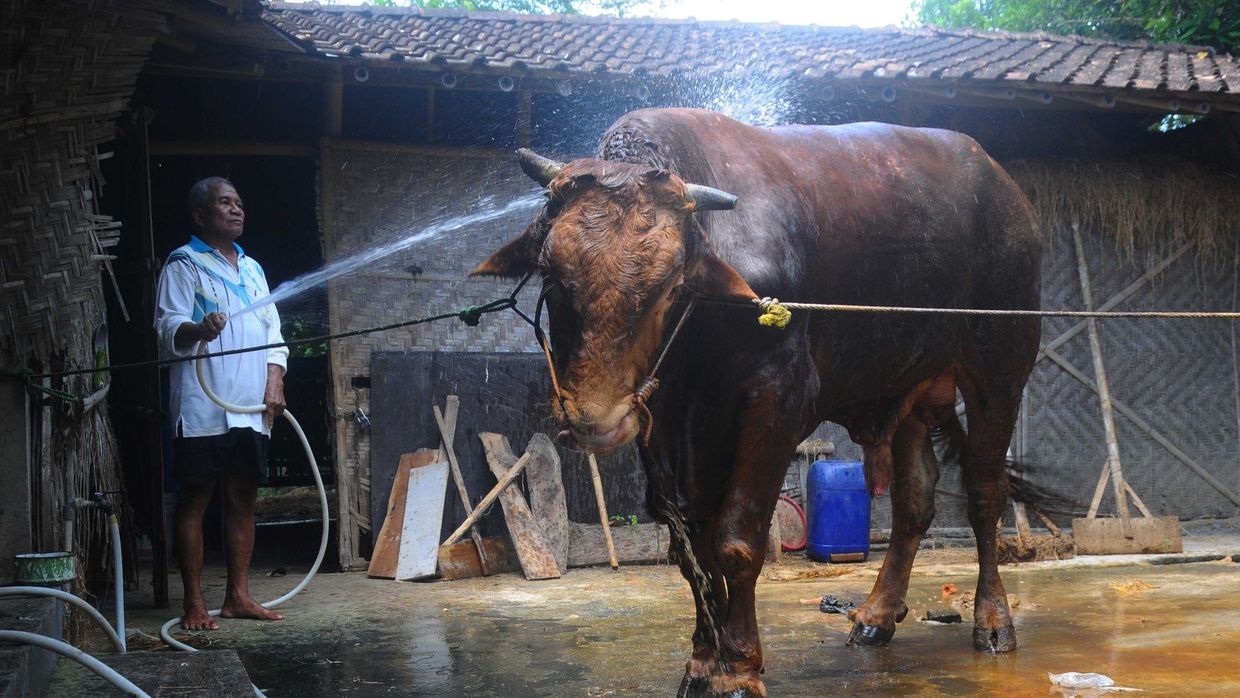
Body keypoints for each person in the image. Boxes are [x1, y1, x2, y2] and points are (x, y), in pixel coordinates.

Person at [154, 177, 288, 631]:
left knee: (243, 501)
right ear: (199, 216)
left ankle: (238, 597)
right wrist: (199, 329)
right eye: (225, 203)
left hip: (249, 405)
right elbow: (167, 327)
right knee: (194, 502)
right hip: (203, 405)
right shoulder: (183, 264)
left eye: (239, 202)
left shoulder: (253, 269)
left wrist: (275, 383)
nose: (237, 209)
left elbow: (274, 335)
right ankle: (193, 603)